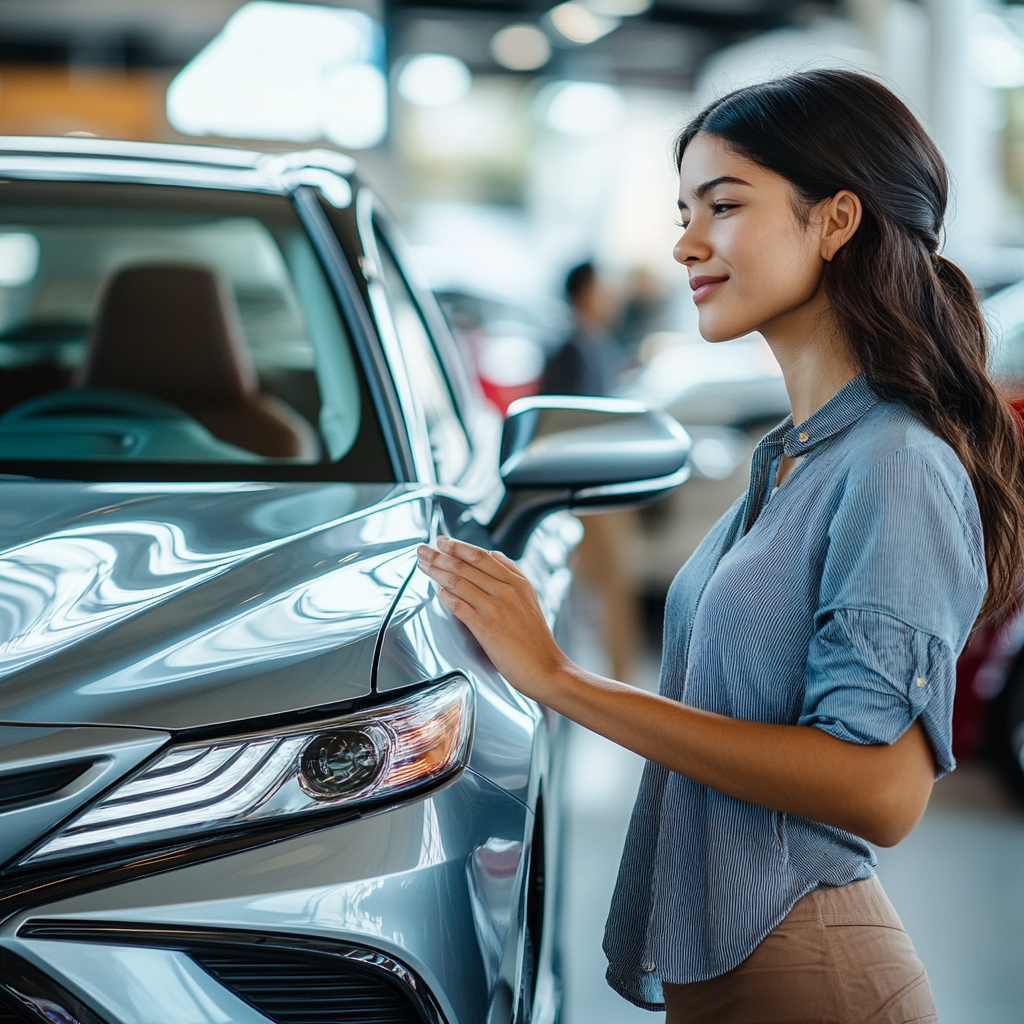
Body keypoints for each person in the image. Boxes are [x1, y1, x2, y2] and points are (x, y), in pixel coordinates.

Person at [417, 69, 1024, 1023]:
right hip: (739, 975)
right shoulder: (796, 457)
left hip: (812, 979)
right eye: (683, 210)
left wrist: (563, 680)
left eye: (724, 206)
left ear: (835, 221)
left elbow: (882, 790)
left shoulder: (895, 464)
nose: (685, 243)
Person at [542, 261, 640, 685]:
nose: (612, 297)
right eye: (604, 289)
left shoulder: (599, 345)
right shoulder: (570, 351)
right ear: (584, 294)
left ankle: (613, 680)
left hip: (606, 486)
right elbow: (562, 424)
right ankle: (620, 687)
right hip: (590, 491)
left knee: (592, 586)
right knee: (612, 584)